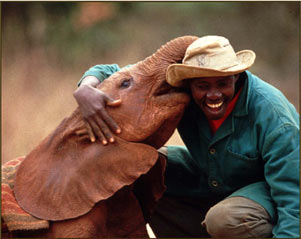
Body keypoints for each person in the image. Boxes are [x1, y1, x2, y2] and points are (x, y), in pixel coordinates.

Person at [73, 36, 300, 238]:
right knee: (144, 170)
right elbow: (117, 73)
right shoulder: (178, 90)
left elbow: (294, 199)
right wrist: (87, 86)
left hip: (269, 189)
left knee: (223, 220)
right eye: (203, 86)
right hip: (214, 175)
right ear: (189, 83)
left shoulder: (274, 118)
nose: (213, 95)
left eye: (222, 83)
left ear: (236, 76)